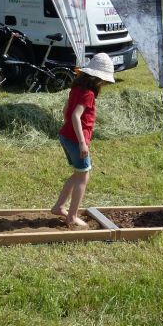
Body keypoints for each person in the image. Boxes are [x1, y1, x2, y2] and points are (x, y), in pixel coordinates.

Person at [51, 52, 115, 227]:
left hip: (66, 135)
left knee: (78, 173)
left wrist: (69, 127)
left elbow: (66, 110)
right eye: (103, 81)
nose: (104, 84)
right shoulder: (88, 94)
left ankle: (59, 207)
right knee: (83, 177)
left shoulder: (76, 88)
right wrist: (81, 142)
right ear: (98, 79)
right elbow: (75, 116)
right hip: (75, 140)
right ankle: (72, 216)